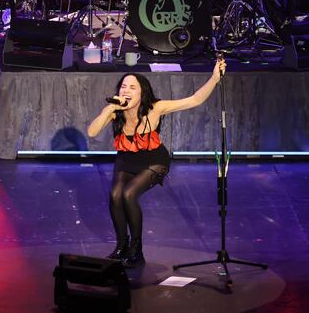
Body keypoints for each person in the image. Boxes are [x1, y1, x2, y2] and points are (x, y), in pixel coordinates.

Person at [87, 59, 226, 267]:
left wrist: (214, 78)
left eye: (132, 87)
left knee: (128, 194)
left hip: (154, 161)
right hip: (126, 160)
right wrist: (109, 109)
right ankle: (121, 246)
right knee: (115, 195)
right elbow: (92, 132)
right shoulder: (116, 112)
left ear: (142, 93)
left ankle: (136, 249)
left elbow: (195, 100)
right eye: (123, 86)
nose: (126, 90)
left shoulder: (156, 108)